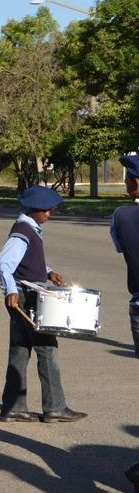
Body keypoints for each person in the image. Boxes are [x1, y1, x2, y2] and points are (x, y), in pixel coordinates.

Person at [0, 185, 86, 423]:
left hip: (25, 294)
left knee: (19, 350)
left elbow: (26, 264)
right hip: (26, 297)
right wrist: (11, 290)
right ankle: (55, 406)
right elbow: (4, 264)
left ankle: (13, 407)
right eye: (47, 210)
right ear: (33, 209)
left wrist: (48, 272)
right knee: (47, 350)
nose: (50, 214)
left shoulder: (29, 228)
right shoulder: (22, 232)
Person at [111, 154, 139, 359]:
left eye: (127, 179)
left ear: (136, 181)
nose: (125, 183)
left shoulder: (121, 216)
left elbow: (121, 247)